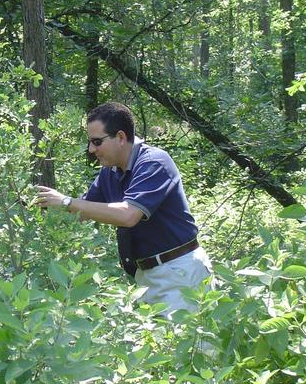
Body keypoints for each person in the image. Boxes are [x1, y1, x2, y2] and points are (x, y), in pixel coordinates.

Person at [36, 102, 213, 317]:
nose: (91, 150)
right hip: (146, 277)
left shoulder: (154, 162)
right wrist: (34, 201)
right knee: (155, 348)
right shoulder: (110, 173)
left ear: (120, 137)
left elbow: (128, 215)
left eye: (97, 142)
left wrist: (66, 202)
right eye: (90, 142)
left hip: (179, 272)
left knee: (192, 349)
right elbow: (82, 211)